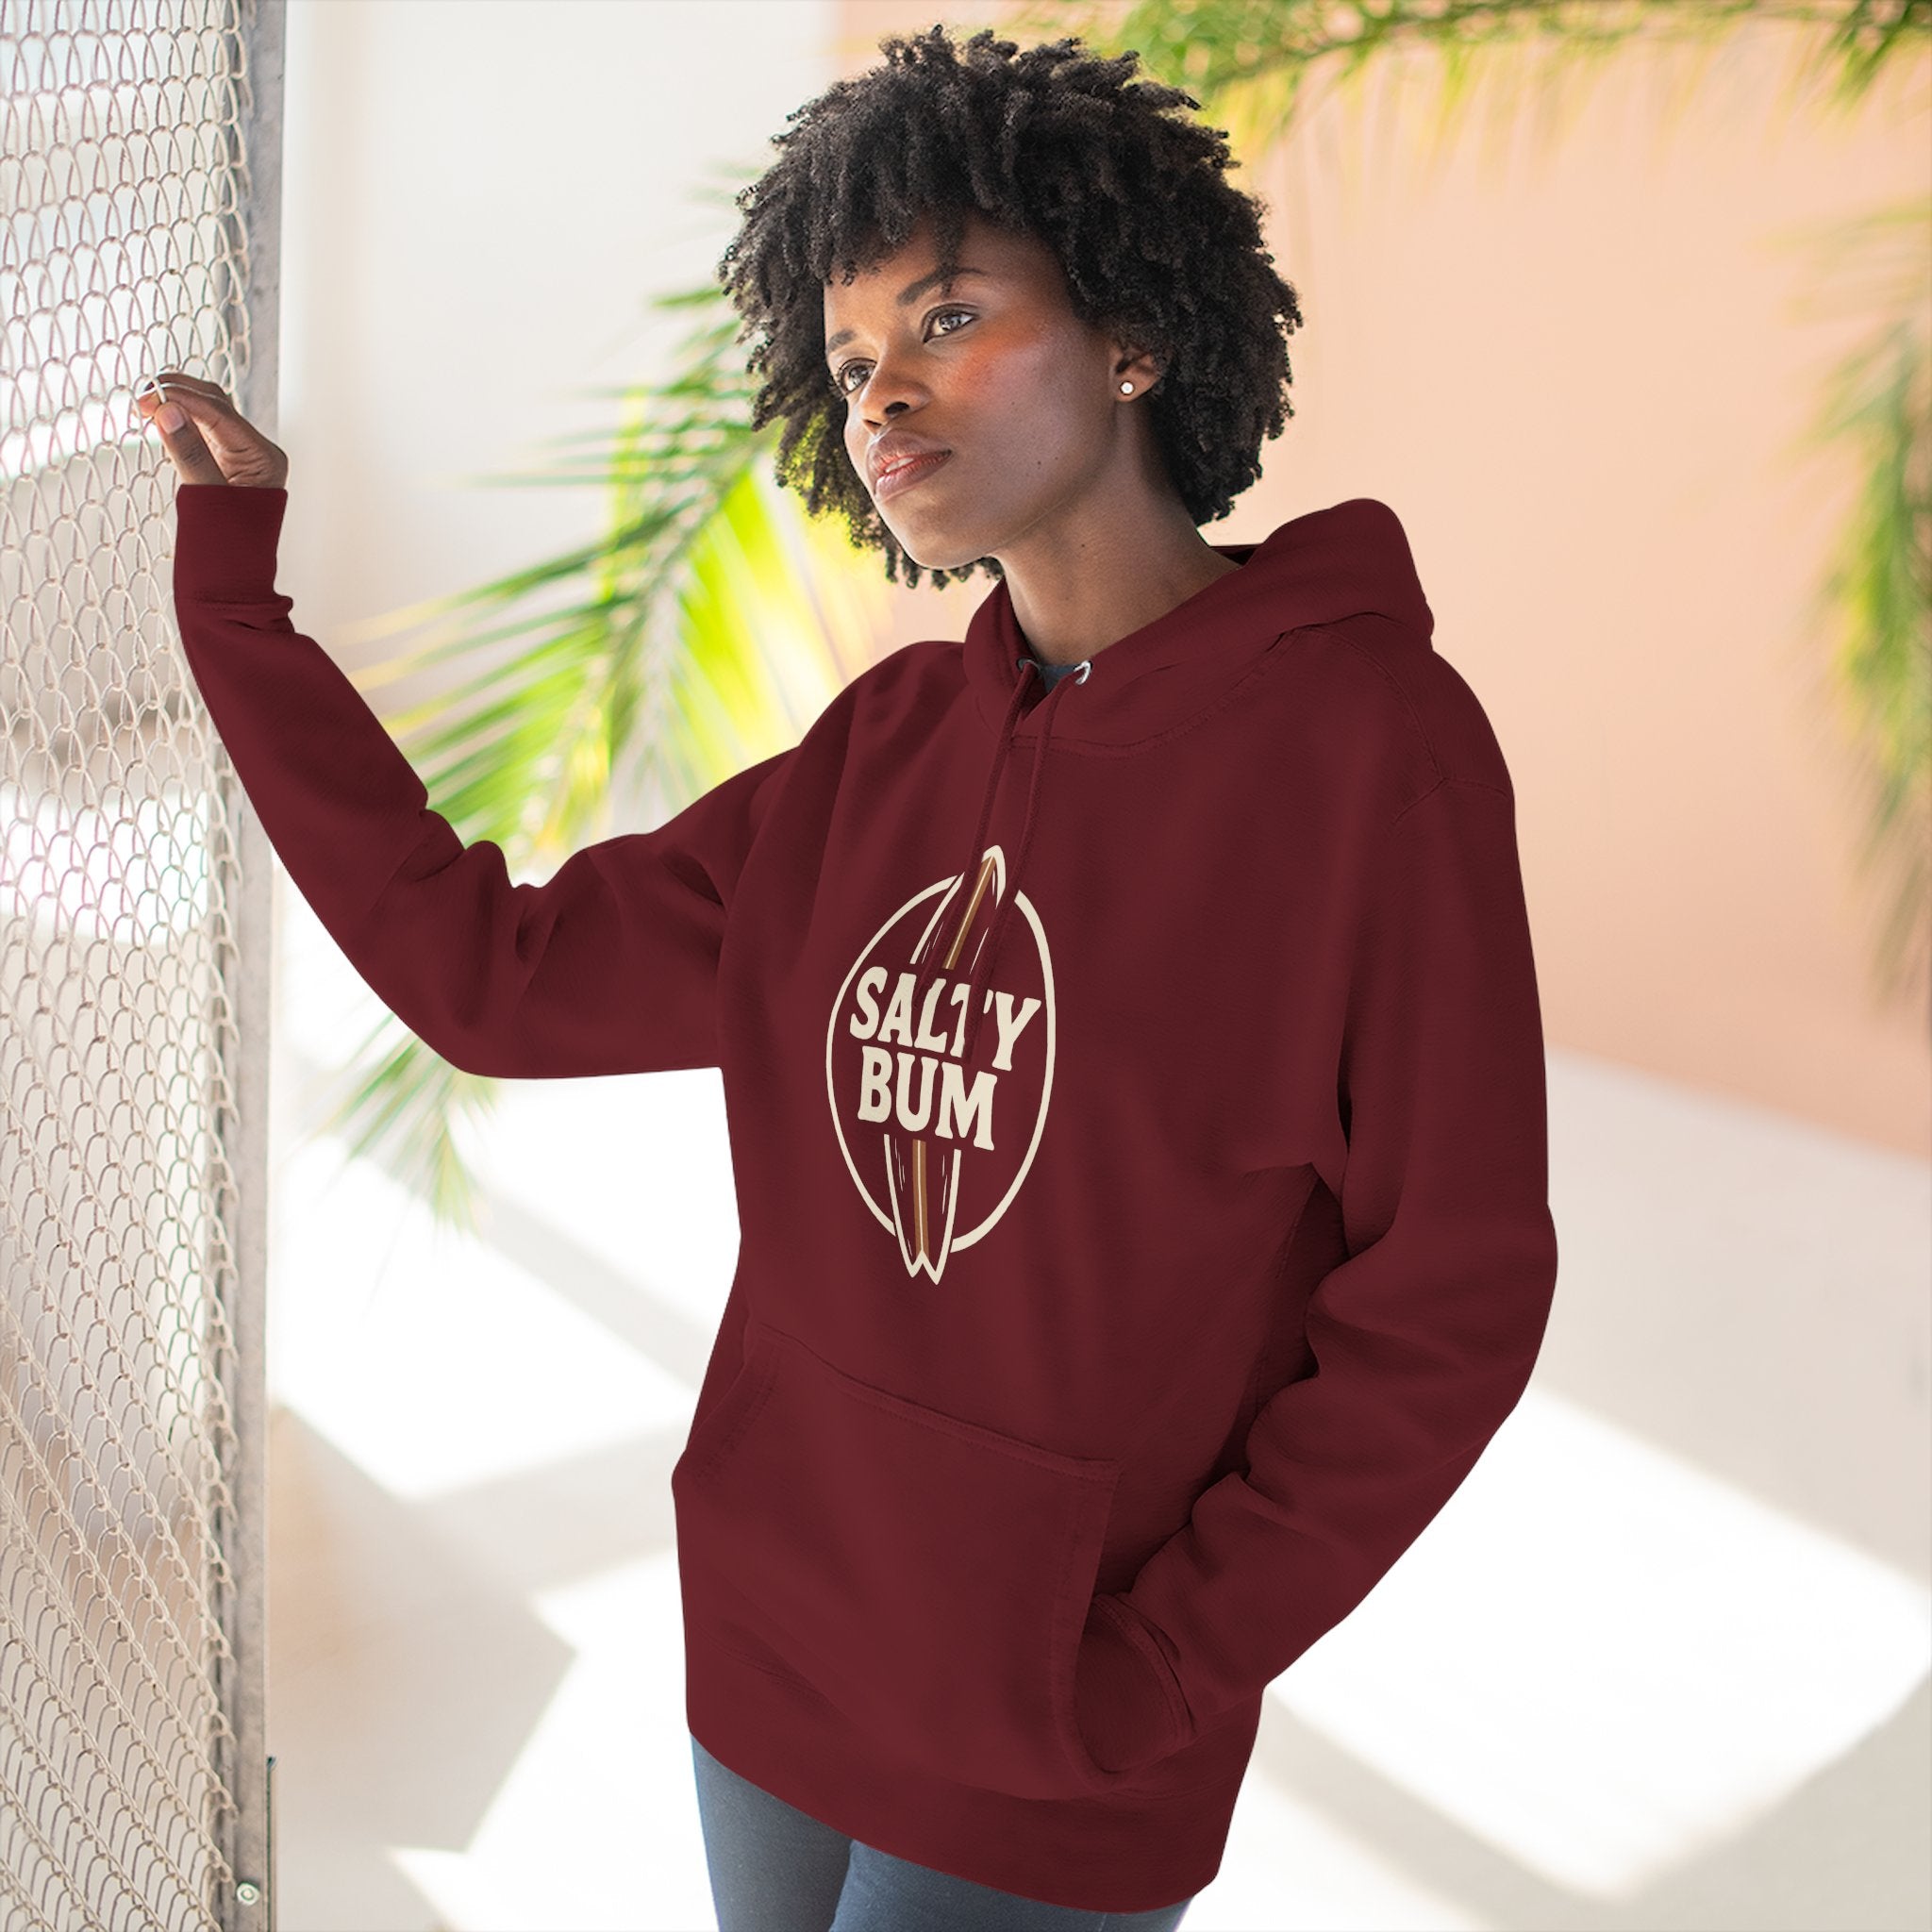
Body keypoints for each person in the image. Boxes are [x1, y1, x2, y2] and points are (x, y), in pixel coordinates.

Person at [145, 23, 1558, 1930]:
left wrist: (1159, 1666)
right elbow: (492, 973)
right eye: (848, 361)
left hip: (1062, 1719)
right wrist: (239, 605)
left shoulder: (1368, 750)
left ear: (1132, 328)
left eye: (949, 317)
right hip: (776, 1640)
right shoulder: (890, 745)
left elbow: (1448, 1292)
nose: (882, 396)